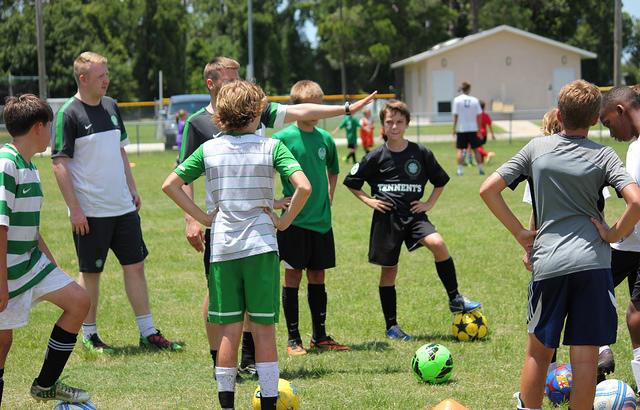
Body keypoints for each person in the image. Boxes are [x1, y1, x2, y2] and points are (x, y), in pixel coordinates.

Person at [179, 56, 377, 376]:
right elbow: (181, 177)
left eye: (238, 76)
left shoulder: (257, 111)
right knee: (220, 296)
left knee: (254, 300)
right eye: (230, 78)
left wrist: (344, 109)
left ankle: (247, 359)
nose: (237, 83)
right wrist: (194, 219)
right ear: (211, 83)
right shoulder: (198, 124)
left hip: (258, 224)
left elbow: (302, 111)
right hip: (224, 223)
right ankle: (220, 358)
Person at [480, 79, 640, 410]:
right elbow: (636, 202)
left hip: (549, 264)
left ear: (558, 111)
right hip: (594, 267)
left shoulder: (536, 149)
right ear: (595, 118)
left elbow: (488, 189)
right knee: (584, 361)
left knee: (538, 354)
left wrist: (520, 233)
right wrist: (612, 234)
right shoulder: (605, 155)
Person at [163, 80, 312, 410]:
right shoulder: (270, 147)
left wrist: (202, 217)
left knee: (229, 330)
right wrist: (284, 221)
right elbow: (303, 187)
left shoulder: (209, 149)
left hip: (225, 249)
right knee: (263, 331)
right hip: (261, 248)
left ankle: (227, 406)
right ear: (257, 112)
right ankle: (270, 404)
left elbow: (171, 184)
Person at [51, 51, 181, 353]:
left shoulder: (111, 106)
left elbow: (120, 151)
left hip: (123, 208)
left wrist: (132, 188)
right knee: (91, 273)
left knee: (135, 266)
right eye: (100, 76)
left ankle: (148, 332)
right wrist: (76, 210)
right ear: (83, 79)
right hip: (91, 213)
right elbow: (59, 164)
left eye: (106, 74)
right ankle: (90, 334)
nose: (106, 80)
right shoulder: (68, 114)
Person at [344, 100, 482, 341]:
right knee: (389, 272)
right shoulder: (375, 156)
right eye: (389, 122)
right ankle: (392, 326)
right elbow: (352, 182)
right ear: (383, 126)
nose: (394, 126)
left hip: (415, 215)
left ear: (407, 123)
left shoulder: (420, 153)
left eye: (399, 122)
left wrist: (428, 203)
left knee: (438, 244)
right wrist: (371, 201)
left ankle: (455, 298)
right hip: (387, 219)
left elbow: (440, 180)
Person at [0, 95, 92, 404]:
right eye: (50, 127)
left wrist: (53, 269)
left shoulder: (30, 167)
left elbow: (31, 228)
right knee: (2, 344)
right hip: (7, 268)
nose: (52, 133)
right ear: (39, 127)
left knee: (79, 300)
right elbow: (0, 227)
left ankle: (46, 384)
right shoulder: (6, 164)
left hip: (31, 262)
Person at [522, 107, 614, 384]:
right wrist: (611, 233)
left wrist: (527, 245)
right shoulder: (597, 156)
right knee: (586, 335)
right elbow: (600, 210)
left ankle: (549, 381)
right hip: (591, 254)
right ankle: (601, 351)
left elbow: (537, 215)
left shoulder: (539, 159)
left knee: (540, 341)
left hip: (552, 256)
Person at [273, 80, 349, 356]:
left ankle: (320, 336)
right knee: (292, 276)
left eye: (320, 104)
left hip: (321, 222)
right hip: (293, 221)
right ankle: (293, 339)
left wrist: (329, 196)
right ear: (297, 108)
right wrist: (274, 201)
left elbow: (332, 170)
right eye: (311, 105)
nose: (316, 110)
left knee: (318, 276)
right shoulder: (282, 138)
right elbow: (266, 170)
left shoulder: (325, 139)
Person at [600, 84, 640, 395]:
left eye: (608, 123)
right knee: (593, 289)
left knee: (636, 317)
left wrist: (613, 231)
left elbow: (636, 203)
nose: (609, 131)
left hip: (628, 240)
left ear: (621, 111)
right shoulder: (633, 145)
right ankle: (601, 353)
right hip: (628, 245)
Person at [452, 82, 484, 176]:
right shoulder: (474, 100)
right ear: (469, 89)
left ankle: (459, 171)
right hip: (473, 128)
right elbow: (479, 115)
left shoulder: (457, 100)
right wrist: (479, 129)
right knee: (476, 149)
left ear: (461, 89)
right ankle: (481, 170)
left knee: (461, 150)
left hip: (461, 128)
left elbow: (456, 116)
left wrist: (454, 128)